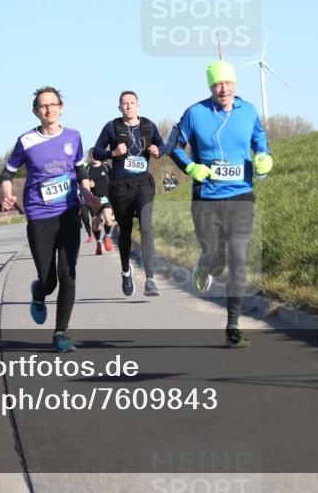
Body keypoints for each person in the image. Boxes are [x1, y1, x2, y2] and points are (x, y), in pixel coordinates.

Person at [168, 60, 272, 348]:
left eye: (227, 82)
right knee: (216, 258)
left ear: (235, 84)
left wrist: (264, 157)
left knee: (239, 256)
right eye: (216, 84)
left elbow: (260, 140)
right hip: (207, 197)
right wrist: (190, 167)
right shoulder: (195, 113)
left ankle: (233, 325)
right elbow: (172, 146)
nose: (222, 88)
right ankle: (206, 264)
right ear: (210, 86)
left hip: (241, 195)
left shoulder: (248, 111)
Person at [0, 86, 92, 353]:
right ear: (35, 111)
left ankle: (61, 333)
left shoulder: (74, 137)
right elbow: (7, 173)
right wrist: (8, 195)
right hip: (39, 216)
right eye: (43, 106)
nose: (49, 109)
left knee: (68, 274)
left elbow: (80, 168)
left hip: (68, 214)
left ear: (61, 107)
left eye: (53, 104)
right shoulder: (26, 141)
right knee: (48, 280)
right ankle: (39, 293)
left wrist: (87, 192)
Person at [92, 90, 166, 298]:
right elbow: (96, 152)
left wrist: (157, 151)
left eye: (132, 103)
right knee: (125, 230)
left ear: (138, 105)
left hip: (143, 183)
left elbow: (162, 146)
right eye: (124, 104)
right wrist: (112, 153)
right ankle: (126, 271)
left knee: (146, 227)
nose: (128, 106)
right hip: (121, 186)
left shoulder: (148, 125)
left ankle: (150, 280)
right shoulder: (112, 127)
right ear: (119, 107)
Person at [87, 152, 115, 255]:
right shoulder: (87, 169)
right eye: (91, 155)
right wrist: (89, 186)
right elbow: (82, 184)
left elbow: (113, 179)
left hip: (106, 198)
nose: (93, 157)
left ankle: (107, 237)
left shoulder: (106, 166)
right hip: (94, 200)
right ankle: (98, 243)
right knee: (95, 222)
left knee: (108, 219)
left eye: (95, 155)